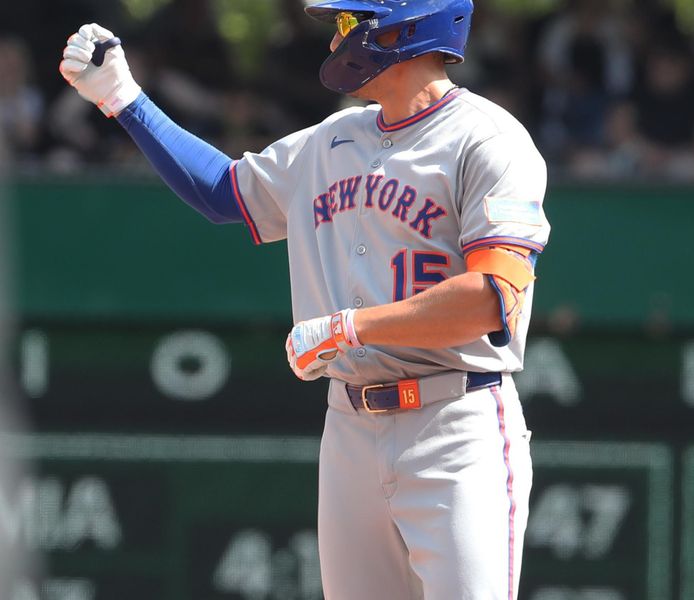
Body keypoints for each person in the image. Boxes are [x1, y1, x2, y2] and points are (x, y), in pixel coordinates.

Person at [58, 1, 550, 598]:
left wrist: (352, 327)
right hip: (350, 427)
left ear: (407, 27)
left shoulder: (490, 139)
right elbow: (223, 193)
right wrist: (124, 99)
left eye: (353, 22)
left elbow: (492, 299)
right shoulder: (332, 138)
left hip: (456, 423)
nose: (341, 36)